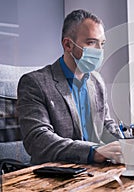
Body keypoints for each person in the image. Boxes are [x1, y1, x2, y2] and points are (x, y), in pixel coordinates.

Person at [17, 9, 123, 165]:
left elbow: (105, 125)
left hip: (94, 170)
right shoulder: (35, 83)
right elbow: (38, 140)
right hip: (56, 175)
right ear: (68, 44)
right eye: (91, 42)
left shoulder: (96, 81)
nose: (99, 51)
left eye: (102, 44)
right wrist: (93, 152)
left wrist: (129, 140)